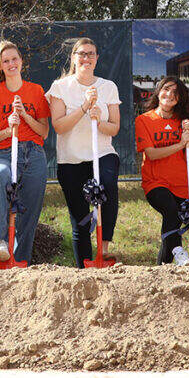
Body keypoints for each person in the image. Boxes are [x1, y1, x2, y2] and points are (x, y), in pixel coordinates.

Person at [0, 40, 49, 264]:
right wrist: (9, 128)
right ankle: (0, 241)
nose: (11, 63)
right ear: (0, 66)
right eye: (6, 61)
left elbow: (44, 132)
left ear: (21, 61)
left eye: (14, 59)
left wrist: (25, 117)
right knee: (0, 175)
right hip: (5, 152)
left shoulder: (36, 91)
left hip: (34, 153)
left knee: (29, 211)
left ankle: (20, 260)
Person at [48, 37, 122, 267]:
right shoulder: (60, 87)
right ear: (73, 57)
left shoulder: (108, 87)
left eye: (91, 54)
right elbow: (59, 126)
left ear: (97, 58)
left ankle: (105, 247)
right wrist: (84, 107)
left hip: (101, 154)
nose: (86, 58)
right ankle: (84, 270)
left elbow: (115, 128)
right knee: (80, 220)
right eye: (81, 53)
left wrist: (99, 120)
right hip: (70, 160)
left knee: (108, 186)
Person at [135, 76, 189, 266]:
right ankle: (179, 250)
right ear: (158, 91)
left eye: (175, 93)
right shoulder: (144, 120)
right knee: (171, 211)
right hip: (156, 182)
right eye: (166, 89)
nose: (169, 95)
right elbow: (152, 154)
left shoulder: (184, 122)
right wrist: (180, 144)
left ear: (180, 99)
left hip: (181, 183)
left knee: (173, 220)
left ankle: (164, 268)